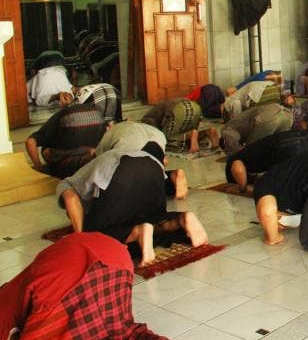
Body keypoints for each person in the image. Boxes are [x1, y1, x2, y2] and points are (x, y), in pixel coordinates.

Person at [0, 232, 173, 340]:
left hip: (66, 271)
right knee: (118, 329)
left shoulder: (6, 311)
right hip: (114, 254)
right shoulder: (15, 291)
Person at [56, 142, 209, 265]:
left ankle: (137, 231)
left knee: (95, 239)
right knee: (156, 219)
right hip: (153, 169)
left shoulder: (67, 182)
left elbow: (71, 200)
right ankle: (181, 219)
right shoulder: (114, 155)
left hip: (121, 173)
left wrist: (81, 235)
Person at [95, 120, 189, 199]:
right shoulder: (133, 126)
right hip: (157, 140)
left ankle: (164, 179)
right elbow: (164, 160)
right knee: (153, 179)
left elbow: (101, 165)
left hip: (131, 151)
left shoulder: (107, 135)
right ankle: (169, 176)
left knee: (128, 188)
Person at [25, 104, 106, 178]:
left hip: (65, 168)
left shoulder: (64, 115)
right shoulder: (98, 113)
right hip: (91, 164)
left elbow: (30, 142)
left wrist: (39, 168)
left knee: (46, 150)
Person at [226, 130, 308, 192]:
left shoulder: (233, 162)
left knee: (279, 187)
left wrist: (242, 188)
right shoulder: (249, 155)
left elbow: (237, 168)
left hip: (287, 147)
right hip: (307, 137)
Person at [141, 99, 220, 153]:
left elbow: (153, 132)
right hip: (194, 107)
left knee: (164, 139)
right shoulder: (162, 104)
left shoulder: (146, 120)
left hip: (177, 111)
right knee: (185, 132)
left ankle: (190, 134)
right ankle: (207, 132)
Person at [220, 103, 293, 156]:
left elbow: (233, 144)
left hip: (267, 119)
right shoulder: (235, 121)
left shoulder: (225, 131)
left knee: (250, 152)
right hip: (285, 113)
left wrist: (232, 153)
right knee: (280, 148)